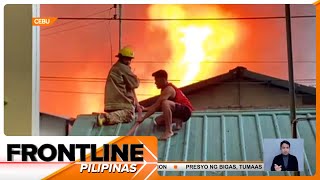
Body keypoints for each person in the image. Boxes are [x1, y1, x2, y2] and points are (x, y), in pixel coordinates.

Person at [137, 70, 193, 140]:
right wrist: (145, 108)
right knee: (158, 120)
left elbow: (156, 107)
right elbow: (155, 105)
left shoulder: (168, 89)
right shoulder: (164, 90)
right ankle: (177, 120)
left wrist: (143, 118)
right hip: (178, 111)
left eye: (156, 80)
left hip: (185, 110)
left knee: (165, 103)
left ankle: (169, 131)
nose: (155, 83)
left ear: (163, 79)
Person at [96, 46, 141, 126]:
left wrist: (137, 104)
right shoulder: (123, 68)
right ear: (121, 58)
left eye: (130, 59)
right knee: (130, 113)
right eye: (127, 58)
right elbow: (135, 83)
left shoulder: (115, 67)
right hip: (120, 102)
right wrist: (137, 79)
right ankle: (105, 118)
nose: (129, 61)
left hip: (112, 103)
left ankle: (109, 117)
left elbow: (131, 87)